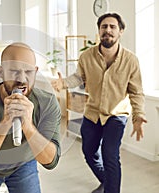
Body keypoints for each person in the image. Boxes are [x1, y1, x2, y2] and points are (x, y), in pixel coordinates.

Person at [51, 13, 147, 193]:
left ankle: (111, 189)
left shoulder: (131, 60)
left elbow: (136, 92)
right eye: (104, 27)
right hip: (92, 112)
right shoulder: (87, 56)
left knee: (110, 155)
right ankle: (106, 181)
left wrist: (138, 115)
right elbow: (79, 77)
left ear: (120, 31)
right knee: (89, 152)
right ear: (99, 31)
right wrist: (63, 83)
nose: (108, 30)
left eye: (112, 27)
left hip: (116, 115)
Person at [0, 42, 61, 193]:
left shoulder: (47, 102)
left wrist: (28, 126)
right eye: (14, 71)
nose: (22, 79)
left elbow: (51, 161)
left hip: (23, 164)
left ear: (35, 71)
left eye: (28, 71)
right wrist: (5, 122)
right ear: (0, 72)